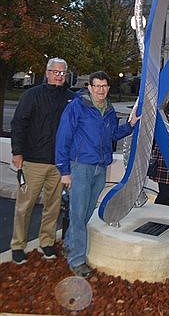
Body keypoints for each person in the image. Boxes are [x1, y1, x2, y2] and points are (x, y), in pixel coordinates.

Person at [55, 71, 139, 277]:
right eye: (97, 86)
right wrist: (64, 171)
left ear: (108, 88)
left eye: (105, 86)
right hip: (80, 167)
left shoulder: (109, 111)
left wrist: (129, 126)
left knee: (84, 212)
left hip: (100, 168)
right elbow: (63, 138)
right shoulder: (77, 107)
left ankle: (69, 245)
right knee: (77, 213)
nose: (101, 90)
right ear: (90, 88)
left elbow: (112, 135)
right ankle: (77, 260)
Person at [11, 57, 73, 264]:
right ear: (47, 73)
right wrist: (17, 152)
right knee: (24, 206)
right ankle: (18, 245)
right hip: (33, 162)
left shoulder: (71, 99)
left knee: (53, 206)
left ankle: (46, 243)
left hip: (59, 164)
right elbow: (19, 123)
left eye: (62, 73)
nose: (59, 76)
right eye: (55, 72)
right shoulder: (32, 95)